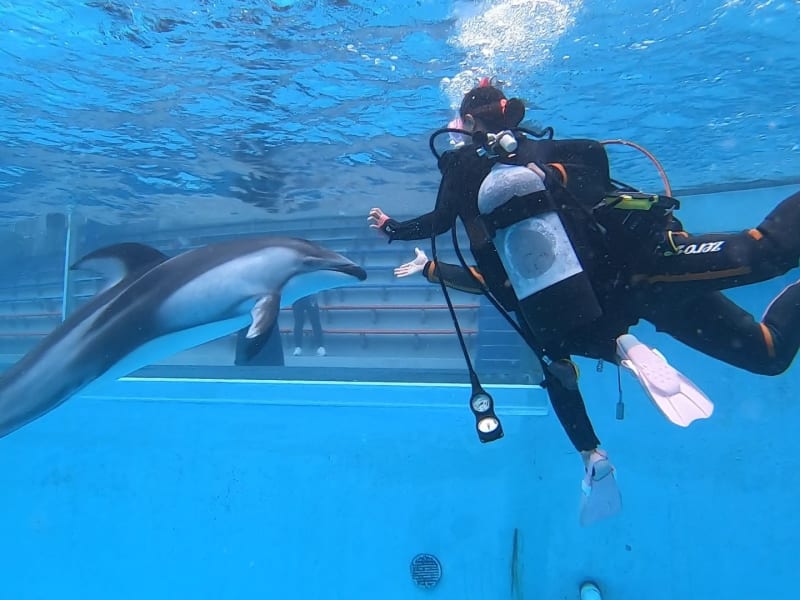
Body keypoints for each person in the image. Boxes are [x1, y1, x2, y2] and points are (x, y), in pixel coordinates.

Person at [368, 78, 800, 525]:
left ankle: (595, 440)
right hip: (636, 276)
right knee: (765, 281)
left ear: (468, 122)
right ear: (504, 111)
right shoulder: (518, 159)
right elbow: (593, 158)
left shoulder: (479, 172)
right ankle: (614, 374)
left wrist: (396, 232)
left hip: (604, 297)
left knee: (763, 342)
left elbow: (448, 233)